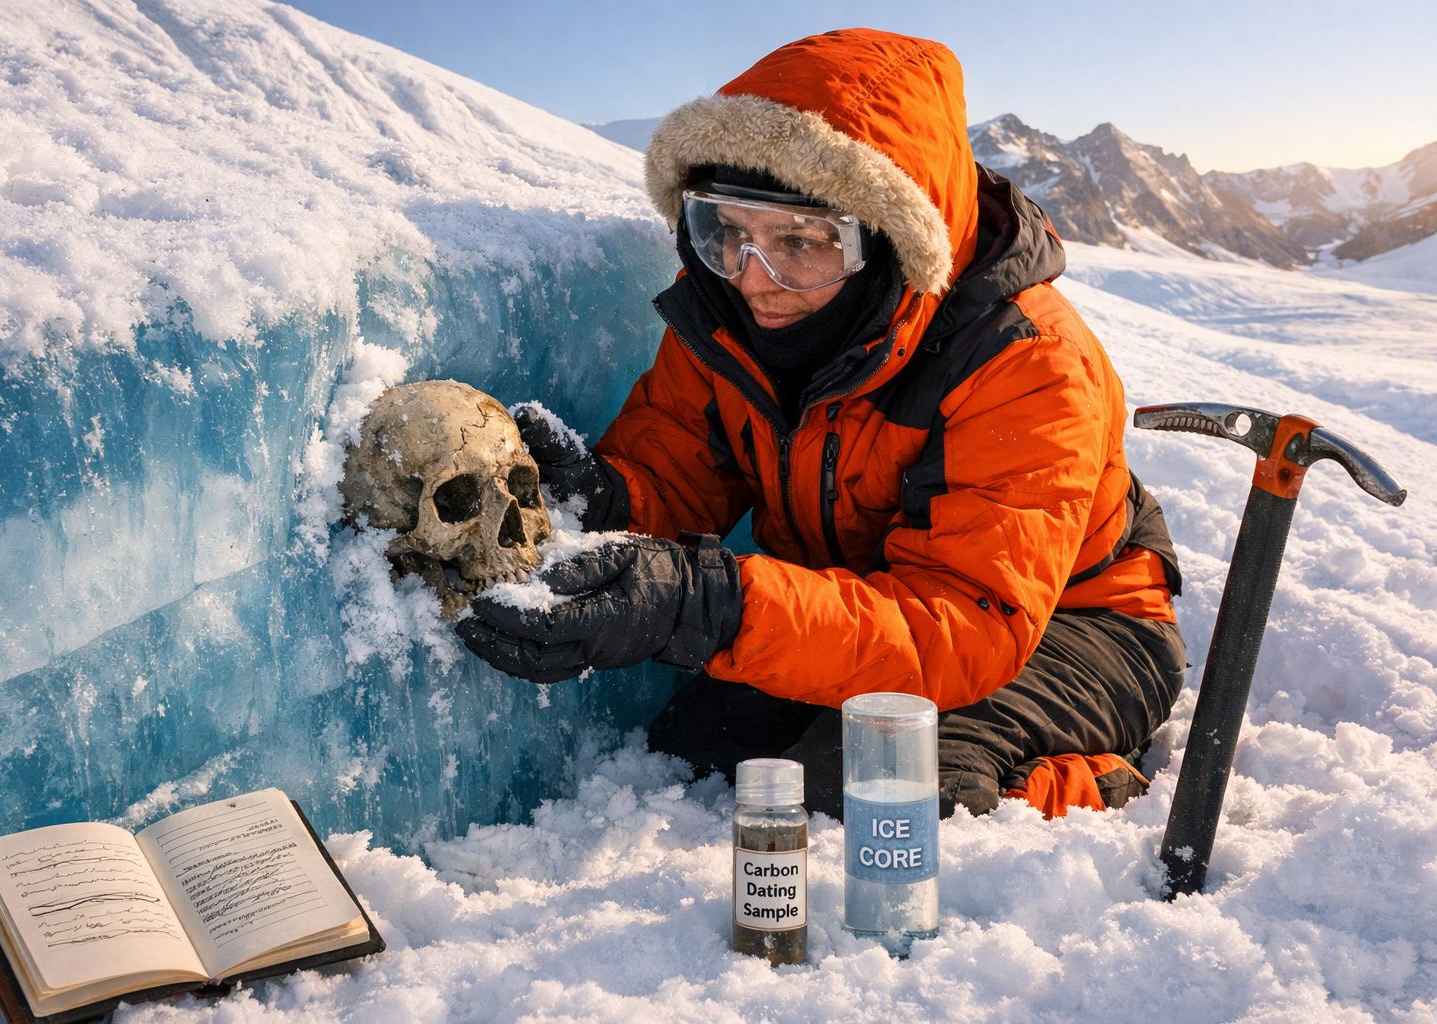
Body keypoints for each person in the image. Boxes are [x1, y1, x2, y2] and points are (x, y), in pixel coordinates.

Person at [455, 28, 1185, 820]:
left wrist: (704, 606)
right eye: (726, 232)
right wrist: (603, 503)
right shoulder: (729, 306)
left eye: (803, 242)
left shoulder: (1028, 363)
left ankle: (1089, 785)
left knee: (883, 792)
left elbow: (965, 624)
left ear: (888, 244)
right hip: (875, 599)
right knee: (700, 750)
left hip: (1070, 624)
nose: (755, 280)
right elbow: (678, 466)